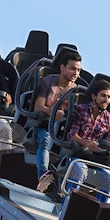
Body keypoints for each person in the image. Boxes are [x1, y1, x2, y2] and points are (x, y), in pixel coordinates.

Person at [62, 77, 110, 201]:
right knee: (80, 169)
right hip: (76, 153)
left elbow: (109, 142)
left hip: (95, 159)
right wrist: (87, 143)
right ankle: (67, 204)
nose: (106, 100)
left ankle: (97, 211)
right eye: (103, 96)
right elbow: (72, 136)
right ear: (94, 96)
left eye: (109, 97)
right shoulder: (81, 109)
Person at [34, 49, 82, 189]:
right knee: (46, 139)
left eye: (78, 70)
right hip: (44, 125)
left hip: (63, 132)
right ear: (62, 68)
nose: (76, 73)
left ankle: (66, 187)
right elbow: (38, 107)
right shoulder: (48, 81)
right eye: (72, 68)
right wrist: (53, 113)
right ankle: (43, 174)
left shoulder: (77, 91)